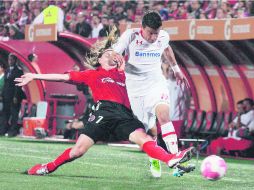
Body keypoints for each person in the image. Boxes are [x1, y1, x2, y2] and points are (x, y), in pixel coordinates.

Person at [15, 28, 195, 176]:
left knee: (145, 138)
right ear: (100, 59)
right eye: (109, 53)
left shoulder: (127, 74)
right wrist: (34, 75)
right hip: (103, 113)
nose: (113, 54)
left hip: (123, 115)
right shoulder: (93, 74)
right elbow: (62, 77)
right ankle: (48, 167)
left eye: (114, 52)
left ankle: (171, 159)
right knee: (78, 151)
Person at [112, 11, 190, 177]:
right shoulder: (130, 36)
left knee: (164, 115)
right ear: (142, 28)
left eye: (156, 33)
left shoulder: (163, 36)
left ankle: (175, 159)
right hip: (136, 90)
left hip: (156, 83)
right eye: (150, 33)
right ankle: (154, 158)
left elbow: (167, 49)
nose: (154, 37)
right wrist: (116, 60)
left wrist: (176, 70)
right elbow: (115, 53)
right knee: (149, 131)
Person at [0, 53, 26, 137]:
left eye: (12, 60)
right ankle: (3, 130)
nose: (10, 61)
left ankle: (13, 131)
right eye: (9, 59)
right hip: (6, 96)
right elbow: (5, 83)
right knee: (5, 114)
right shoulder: (7, 70)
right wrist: (2, 94)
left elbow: (18, 85)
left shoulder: (19, 70)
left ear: (15, 60)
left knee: (14, 114)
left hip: (14, 96)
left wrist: (16, 96)